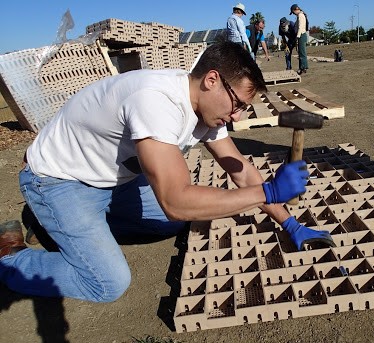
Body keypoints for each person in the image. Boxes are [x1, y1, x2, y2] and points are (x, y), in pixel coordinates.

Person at [0, 41, 332, 302]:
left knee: (172, 222)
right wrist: (269, 192)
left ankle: (59, 224)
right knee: (107, 283)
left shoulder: (206, 108)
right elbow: (176, 200)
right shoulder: (155, 102)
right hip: (58, 180)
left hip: (111, 179)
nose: (239, 118)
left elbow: (241, 172)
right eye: (239, 105)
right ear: (211, 80)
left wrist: (289, 222)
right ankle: (10, 257)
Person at [290, 3, 308, 75]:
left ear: (296, 9)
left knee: (302, 52)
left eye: (293, 12)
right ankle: (302, 67)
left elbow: (301, 27)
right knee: (300, 52)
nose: (293, 14)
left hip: (301, 35)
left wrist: (297, 36)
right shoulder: (299, 16)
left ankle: (303, 67)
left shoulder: (301, 15)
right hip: (300, 35)